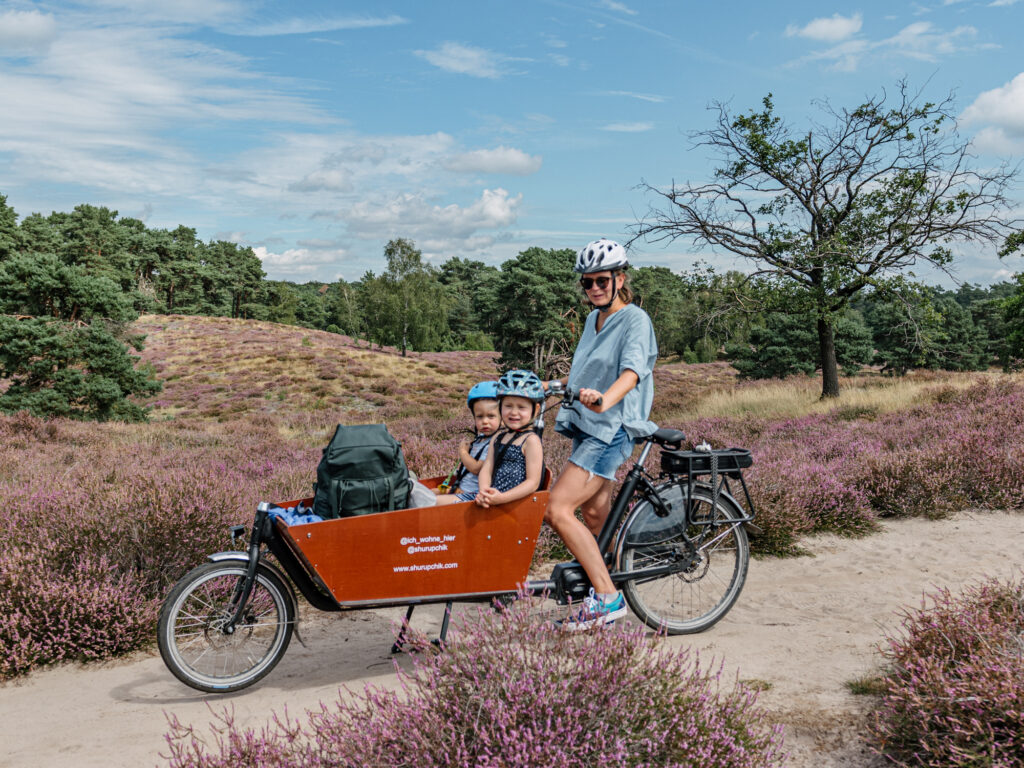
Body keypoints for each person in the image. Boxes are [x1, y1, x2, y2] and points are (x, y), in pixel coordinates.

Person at [546, 237, 658, 631]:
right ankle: (617, 584)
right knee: (594, 513)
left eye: (600, 280)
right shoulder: (595, 320)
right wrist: (554, 385)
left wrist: (606, 400)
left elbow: (631, 372)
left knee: (558, 509)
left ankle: (608, 600)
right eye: (587, 282)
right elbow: (588, 371)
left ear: (619, 278)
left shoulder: (634, 320)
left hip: (610, 428)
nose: (593, 288)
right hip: (587, 424)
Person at [473, 369, 545, 509]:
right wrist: (484, 491)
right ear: (500, 407)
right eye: (508, 406)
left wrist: (502, 498)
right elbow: (487, 468)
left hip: (512, 505)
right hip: (490, 500)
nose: (513, 412)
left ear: (535, 410)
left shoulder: (531, 441)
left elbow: (532, 482)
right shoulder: (498, 437)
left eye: (521, 407)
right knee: (434, 503)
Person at [435, 381, 501, 504]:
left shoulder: (494, 443)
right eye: (480, 417)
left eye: (491, 416)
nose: (485, 421)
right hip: (462, 490)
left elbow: (476, 468)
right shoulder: (480, 439)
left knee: (431, 501)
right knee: (423, 494)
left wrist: (463, 452)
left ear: (502, 418)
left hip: (474, 495)